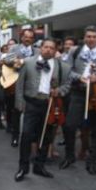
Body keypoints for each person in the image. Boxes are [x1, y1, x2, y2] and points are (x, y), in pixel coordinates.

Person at [60, 26, 96, 174]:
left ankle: (93, 160)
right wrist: (78, 77)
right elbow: (68, 71)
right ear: (84, 38)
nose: (91, 39)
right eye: (88, 36)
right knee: (69, 125)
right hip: (78, 93)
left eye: (94, 36)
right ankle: (69, 156)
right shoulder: (75, 51)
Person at [14, 39, 71, 182]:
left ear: (55, 50)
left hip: (49, 104)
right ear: (40, 48)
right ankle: (23, 167)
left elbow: (67, 85)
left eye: (52, 48)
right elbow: (19, 85)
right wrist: (20, 104)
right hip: (31, 103)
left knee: (46, 137)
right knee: (26, 135)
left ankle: (39, 166)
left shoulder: (61, 66)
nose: (48, 50)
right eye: (46, 47)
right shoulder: (28, 62)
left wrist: (59, 91)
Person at [4, 29, 40, 147]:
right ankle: (15, 136)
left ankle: (31, 137)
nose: (27, 39)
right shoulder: (14, 48)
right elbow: (7, 60)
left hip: (32, 83)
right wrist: (16, 61)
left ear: (33, 39)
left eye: (30, 37)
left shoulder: (37, 51)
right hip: (17, 82)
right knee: (17, 110)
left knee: (31, 110)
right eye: (25, 37)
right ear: (21, 37)